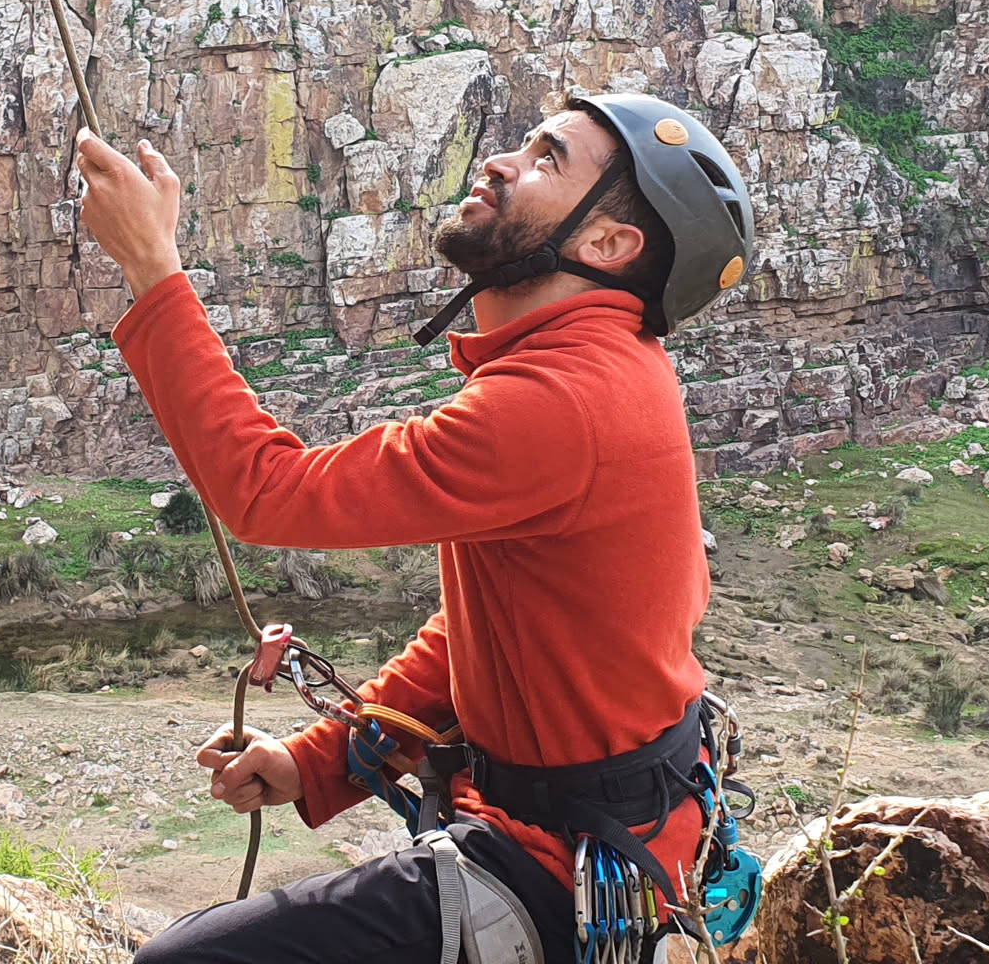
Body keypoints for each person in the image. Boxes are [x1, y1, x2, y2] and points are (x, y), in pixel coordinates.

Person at [72, 93, 756, 964]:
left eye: (547, 158)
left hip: (554, 863)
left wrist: (151, 265)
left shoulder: (562, 402)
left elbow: (265, 493)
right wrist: (319, 760)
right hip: (600, 831)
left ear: (608, 244)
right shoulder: (597, 371)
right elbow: (490, 631)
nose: (502, 161)